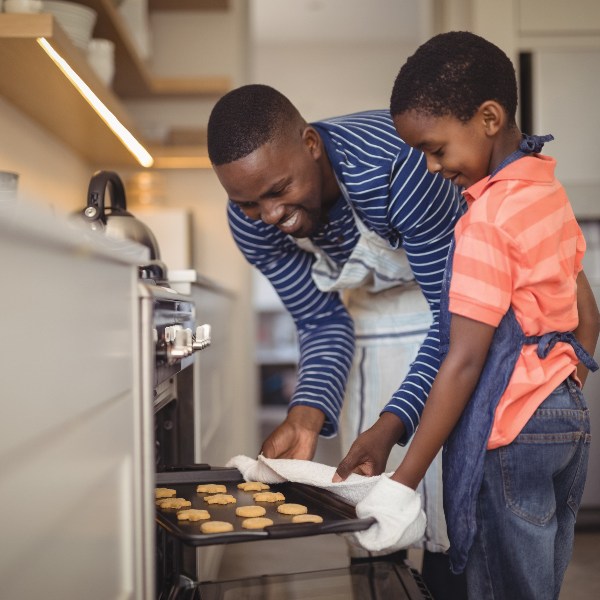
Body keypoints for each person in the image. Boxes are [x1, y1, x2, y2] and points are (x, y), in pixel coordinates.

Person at [334, 31, 600, 600]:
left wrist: (402, 483)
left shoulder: (485, 220)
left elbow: (463, 359)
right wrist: (565, 381)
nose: (431, 168)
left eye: (435, 149)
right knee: (538, 582)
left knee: (499, 584)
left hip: (512, 431)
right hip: (568, 421)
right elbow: (587, 308)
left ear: (488, 117)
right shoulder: (547, 191)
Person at [206, 83, 467, 596]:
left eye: (279, 190)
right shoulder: (250, 220)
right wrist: (305, 414)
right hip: (372, 331)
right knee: (371, 531)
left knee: (450, 524)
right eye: (250, 203)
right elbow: (323, 322)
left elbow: (454, 321)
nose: (271, 217)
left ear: (310, 144)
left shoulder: (398, 164)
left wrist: (393, 426)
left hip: (457, 325)